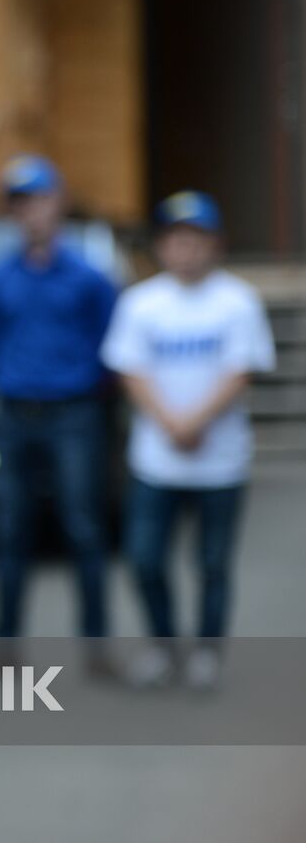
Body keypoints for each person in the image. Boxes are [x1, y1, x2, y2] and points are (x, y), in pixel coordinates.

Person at [101, 190, 276, 690]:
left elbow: (241, 370)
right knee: (144, 558)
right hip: (157, 460)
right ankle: (162, 645)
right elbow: (130, 370)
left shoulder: (236, 301)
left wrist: (195, 421)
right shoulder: (141, 302)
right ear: (161, 246)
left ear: (214, 244)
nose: (186, 249)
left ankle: (207, 652)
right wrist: (170, 422)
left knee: (213, 563)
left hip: (220, 460)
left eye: (196, 239)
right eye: (176, 239)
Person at [0, 155, 118, 648]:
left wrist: (83, 390)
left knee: (82, 527)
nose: (30, 213)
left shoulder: (88, 277)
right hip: (14, 414)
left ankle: (97, 644)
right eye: (19, 204)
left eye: (37, 200)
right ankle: (4, 643)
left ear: (57, 203)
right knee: (9, 530)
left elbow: (109, 344)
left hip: (72, 415)